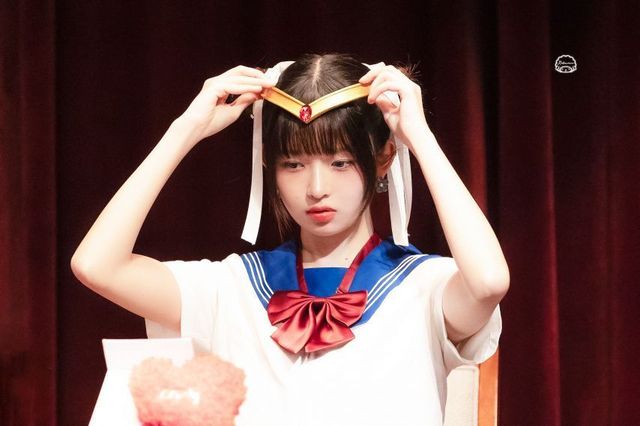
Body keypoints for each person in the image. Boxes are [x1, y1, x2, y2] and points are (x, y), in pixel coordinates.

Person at [71, 53, 509, 425]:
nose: (316, 188)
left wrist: (419, 136)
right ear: (270, 166)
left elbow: (489, 282)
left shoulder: (423, 287)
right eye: (293, 164)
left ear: (382, 160)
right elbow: (97, 265)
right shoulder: (232, 288)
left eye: (340, 162)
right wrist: (186, 128)